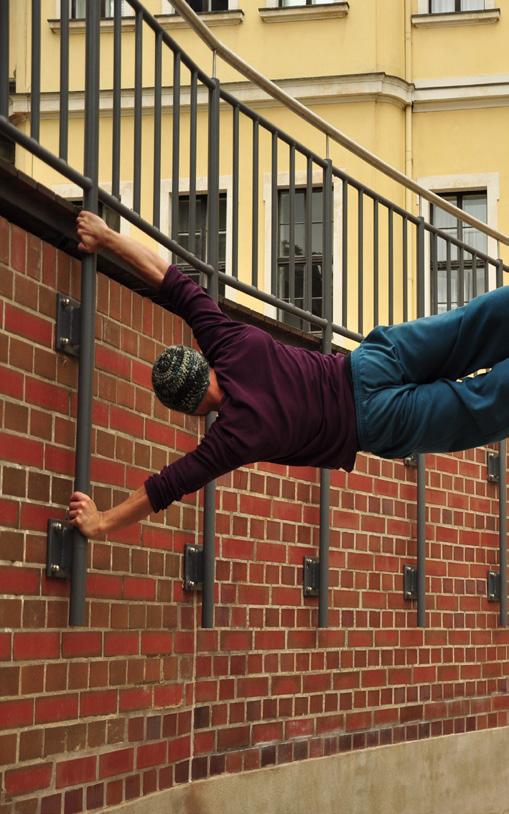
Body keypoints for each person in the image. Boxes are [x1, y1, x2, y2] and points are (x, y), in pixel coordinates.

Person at [68, 211, 509, 536]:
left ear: (189, 409)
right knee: (471, 326)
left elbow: (162, 488)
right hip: (368, 363)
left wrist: (101, 521)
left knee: (480, 404)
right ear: (199, 359)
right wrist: (106, 237)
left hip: (373, 422)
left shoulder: (230, 439)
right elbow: (170, 280)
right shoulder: (227, 343)